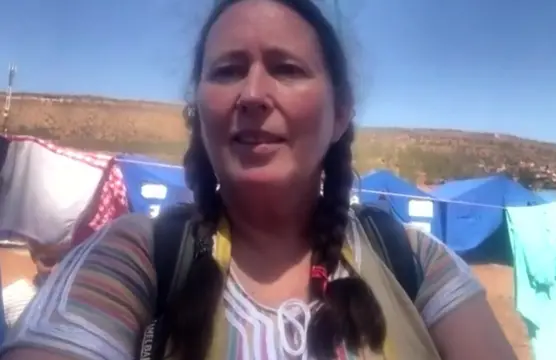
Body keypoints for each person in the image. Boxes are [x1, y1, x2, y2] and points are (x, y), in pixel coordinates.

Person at [0, 0, 516, 359]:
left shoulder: (416, 263)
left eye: (286, 68)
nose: (251, 93)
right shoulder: (135, 257)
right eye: (226, 70)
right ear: (198, 110)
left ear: (341, 115)